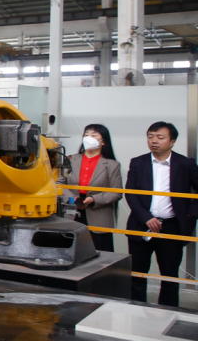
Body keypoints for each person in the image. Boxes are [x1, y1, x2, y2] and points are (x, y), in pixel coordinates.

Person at [124, 121, 198, 307]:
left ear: (172, 142)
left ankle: (168, 311)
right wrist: (146, 217)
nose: (154, 141)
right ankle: (136, 309)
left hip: (172, 227)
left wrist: (190, 216)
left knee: (169, 276)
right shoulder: (138, 162)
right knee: (137, 274)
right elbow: (130, 193)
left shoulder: (185, 164)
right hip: (142, 225)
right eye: (150, 136)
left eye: (160, 137)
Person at [58, 124, 122, 252]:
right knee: (70, 251)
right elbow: (59, 183)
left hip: (99, 216)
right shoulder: (71, 159)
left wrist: (93, 199)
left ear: (103, 142)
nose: (88, 138)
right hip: (72, 211)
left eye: (94, 135)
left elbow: (116, 193)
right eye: (86, 134)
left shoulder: (112, 165)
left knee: (100, 252)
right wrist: (72, 198)